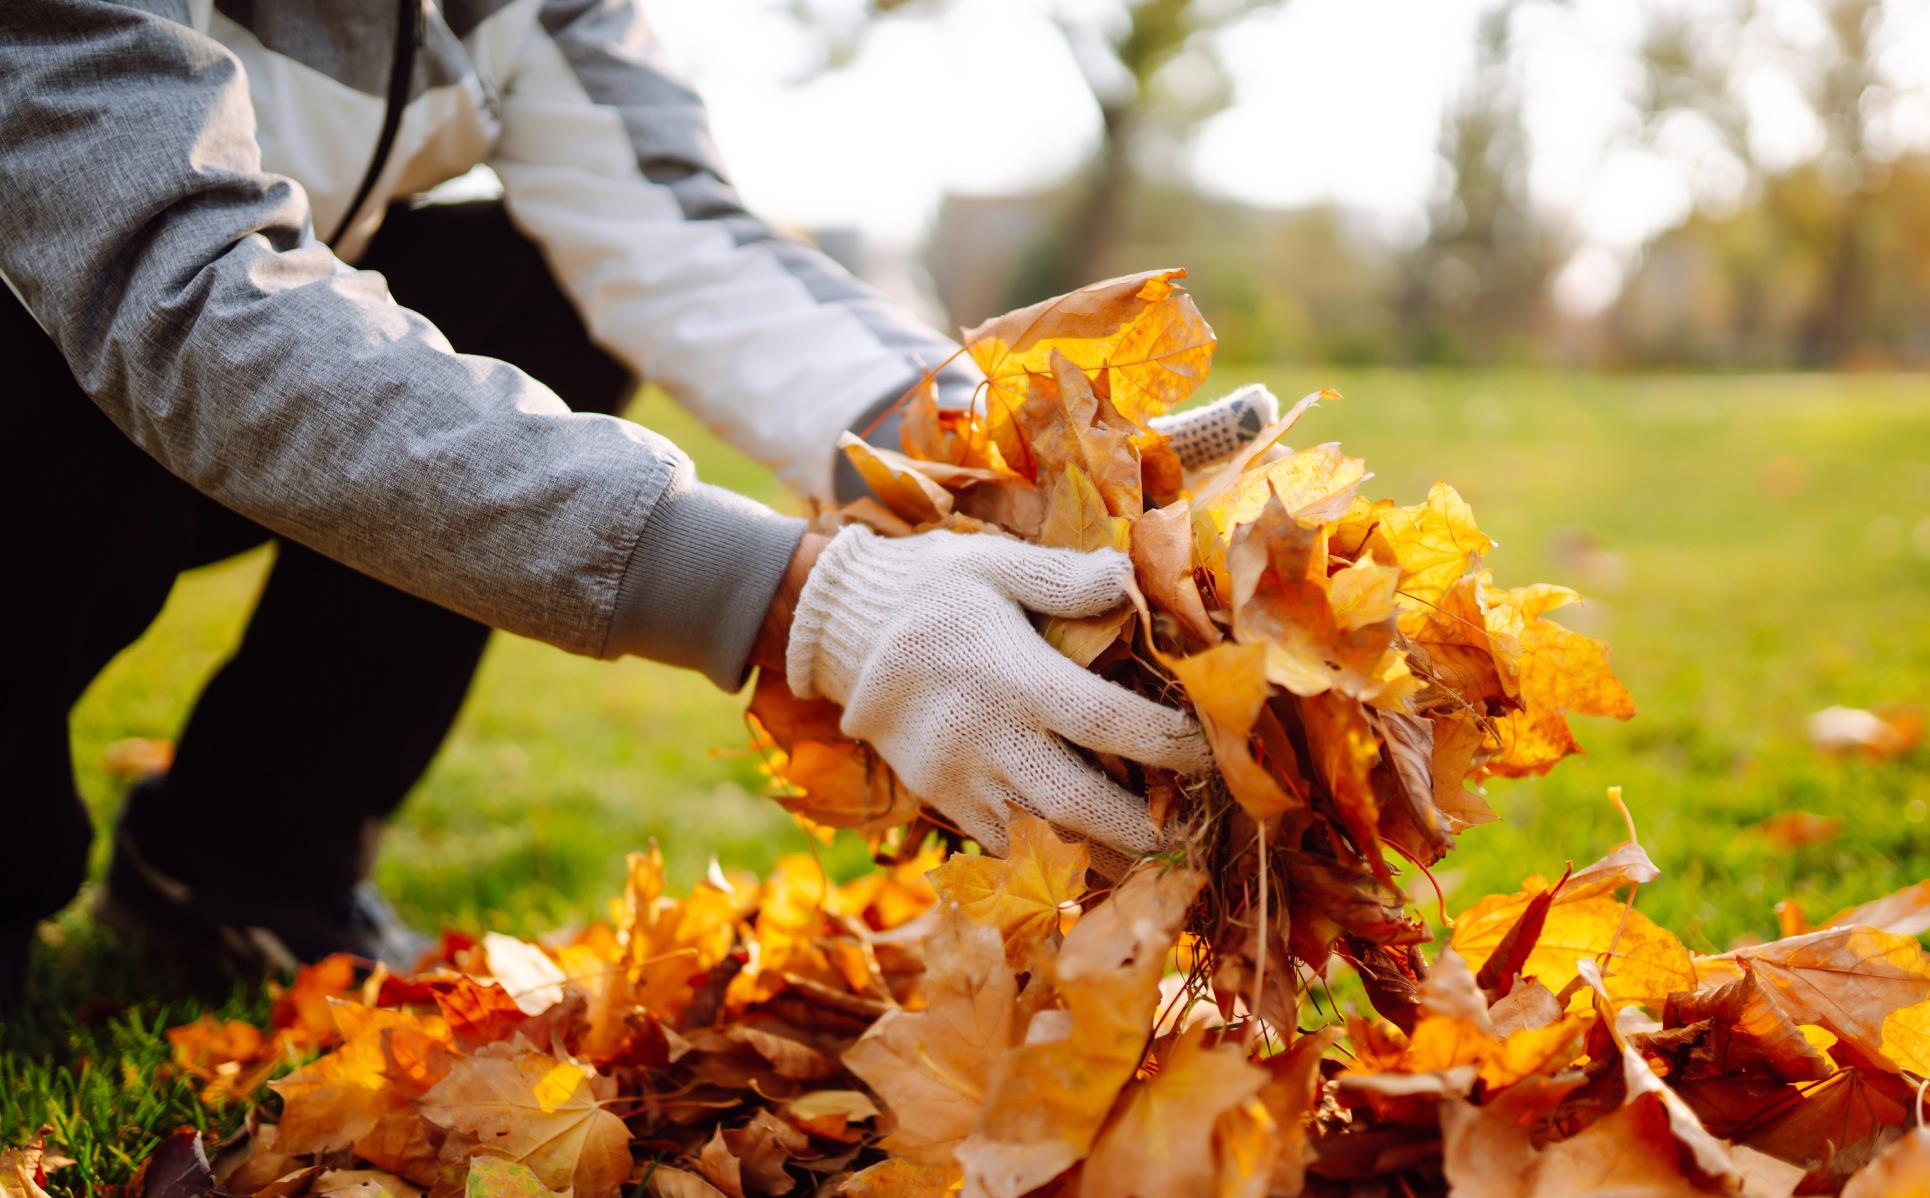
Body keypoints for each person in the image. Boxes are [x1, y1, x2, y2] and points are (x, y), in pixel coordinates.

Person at [0, 0, 1272, 1003]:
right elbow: (176, 293)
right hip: (65, 357)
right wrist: (804, 606)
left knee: (524, 269)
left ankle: (245, 863)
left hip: (182, 395)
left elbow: (678, 238)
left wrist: (1004, 460)